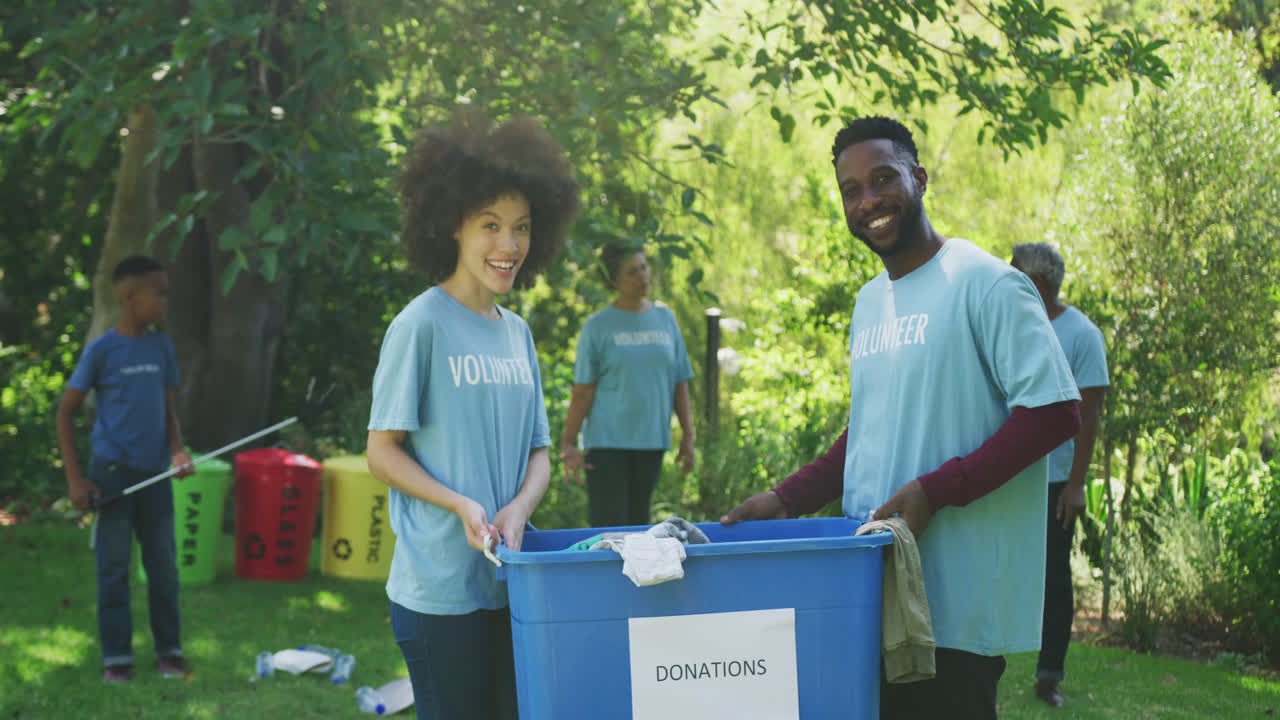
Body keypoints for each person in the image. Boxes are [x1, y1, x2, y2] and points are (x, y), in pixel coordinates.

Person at [719, 116, 1082, 720]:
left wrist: (936, 491)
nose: (869, 200)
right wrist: (786, 500)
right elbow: (869, 431)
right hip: (872, 589)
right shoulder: (869, 302)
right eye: (851, 190)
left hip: (954, 608)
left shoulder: (987, 283)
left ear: (919, 177)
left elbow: (1054, 412)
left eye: (883, 178)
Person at [365, 109, 580, 720]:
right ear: (451, 226)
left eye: (521, 227)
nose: (509, 246)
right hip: (438, 593)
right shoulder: (420, 325)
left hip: (512, 584)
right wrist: (460, 504)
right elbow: (382, 451)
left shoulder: (518, 334)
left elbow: (539, 451)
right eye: (490, 225)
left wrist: (519, 508)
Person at [55, 254, 195, 684]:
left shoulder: (161, 347)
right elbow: (65, 412)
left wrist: (178, 450)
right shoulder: (102, 351)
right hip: (112, 475)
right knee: (113, 571)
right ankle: (117, 659)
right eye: (159, 293)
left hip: (154, 475)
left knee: (163, 568)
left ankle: (169, 652)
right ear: (130, 296)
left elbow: (168, 410)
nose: (165, 302)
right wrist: (76, 479)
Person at [1012, 241, 1109, 708]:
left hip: (1054, 481)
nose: (1007, 279)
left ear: (1039, 283)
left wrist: (1075, 485)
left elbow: (1089, 415)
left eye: (1016, 273)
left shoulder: (1082, 335)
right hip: (1009, 474)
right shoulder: (1011, 326)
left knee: (1054, 578)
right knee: (1001, 569)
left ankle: (1048, 677)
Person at [559, 243, 695, 527]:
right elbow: (583, 392)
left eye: (644, 268)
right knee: (612, 531)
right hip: (607, 444)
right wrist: (568, 442)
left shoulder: (665, 319)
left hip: (651, 442)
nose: (642, 276)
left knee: (640, 528)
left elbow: (679, 381)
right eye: (632, 272)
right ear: (613, 281)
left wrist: (688, 435)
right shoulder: (597, 326)